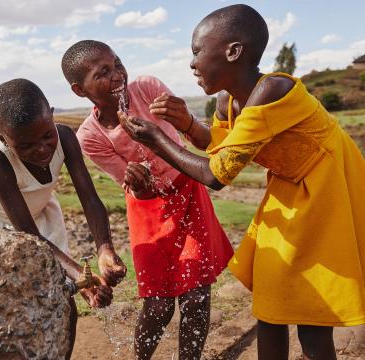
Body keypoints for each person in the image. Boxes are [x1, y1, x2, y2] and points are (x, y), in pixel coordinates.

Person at [119, 4, 365, 360]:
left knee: (313, 310)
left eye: (196, 52)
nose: (191, 63)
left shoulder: (274, 90)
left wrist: (158, 139)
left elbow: (217, 174)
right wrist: (188, 124)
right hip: (290, 188)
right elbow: (219, 148)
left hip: (328, 190)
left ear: (233, 52)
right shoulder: (227, 102)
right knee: (270, 299)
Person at [62, 40, 233, 360]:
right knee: (158, 305)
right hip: (148, 212)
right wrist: (138, 184)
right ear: (79, 90)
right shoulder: (90, 136)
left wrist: (186, 121)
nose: (117, 75)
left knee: (196, 296)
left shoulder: (147, 88)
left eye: (117, 64)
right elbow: (135, 189)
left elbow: (193, 136)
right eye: (103, 73)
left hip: (187, 190)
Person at [0, 78, 127, 359]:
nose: (42, 149)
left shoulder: (65, 138)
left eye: (47, 135)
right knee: (2, 310)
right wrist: (77, 274)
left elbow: (89, 198)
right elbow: (27, 235)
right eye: (25, 145)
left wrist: (104, 248)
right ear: (2, 138)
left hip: (40, 217)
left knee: (63, 303)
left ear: (51, 113)